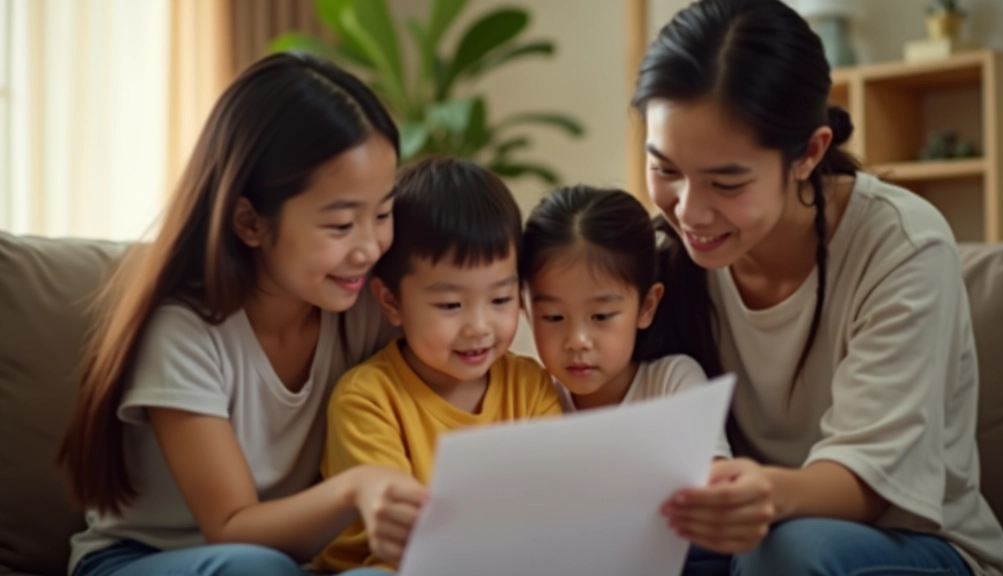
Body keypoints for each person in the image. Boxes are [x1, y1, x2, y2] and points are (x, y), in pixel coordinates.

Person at [633, 1, 1003, 574]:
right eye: (665, 170)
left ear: (808, 153)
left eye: (726, 181)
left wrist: (765, 493)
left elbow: (871, 481)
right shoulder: (666, 262)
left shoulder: (901, 245)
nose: (690, 210)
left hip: (915, 540)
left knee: (787, 553)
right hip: (751, 525)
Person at [57, 53, 423, 576]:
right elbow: (231, 527)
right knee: (253, 568)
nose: (369, 247)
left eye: (383, 214)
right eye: (341, 225)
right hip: (144, 560)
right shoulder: (184, 334)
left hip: (290, 564)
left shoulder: (365, 307)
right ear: (251, 222)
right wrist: (355, 488)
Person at [313, 156, 563, 573]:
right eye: (450, 305)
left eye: (501, 299)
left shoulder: (530, 385)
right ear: (392, 302)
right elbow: (405, 541)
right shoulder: (368, 398)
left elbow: (554, 502)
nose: (479, 327)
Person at [521, 185, 724, 431]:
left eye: (601, 316)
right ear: (525, 309)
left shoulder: (672, 384)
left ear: (646, 307)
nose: (577, 341)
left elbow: (715, 468)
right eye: (553, 317)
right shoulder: (527, 400)